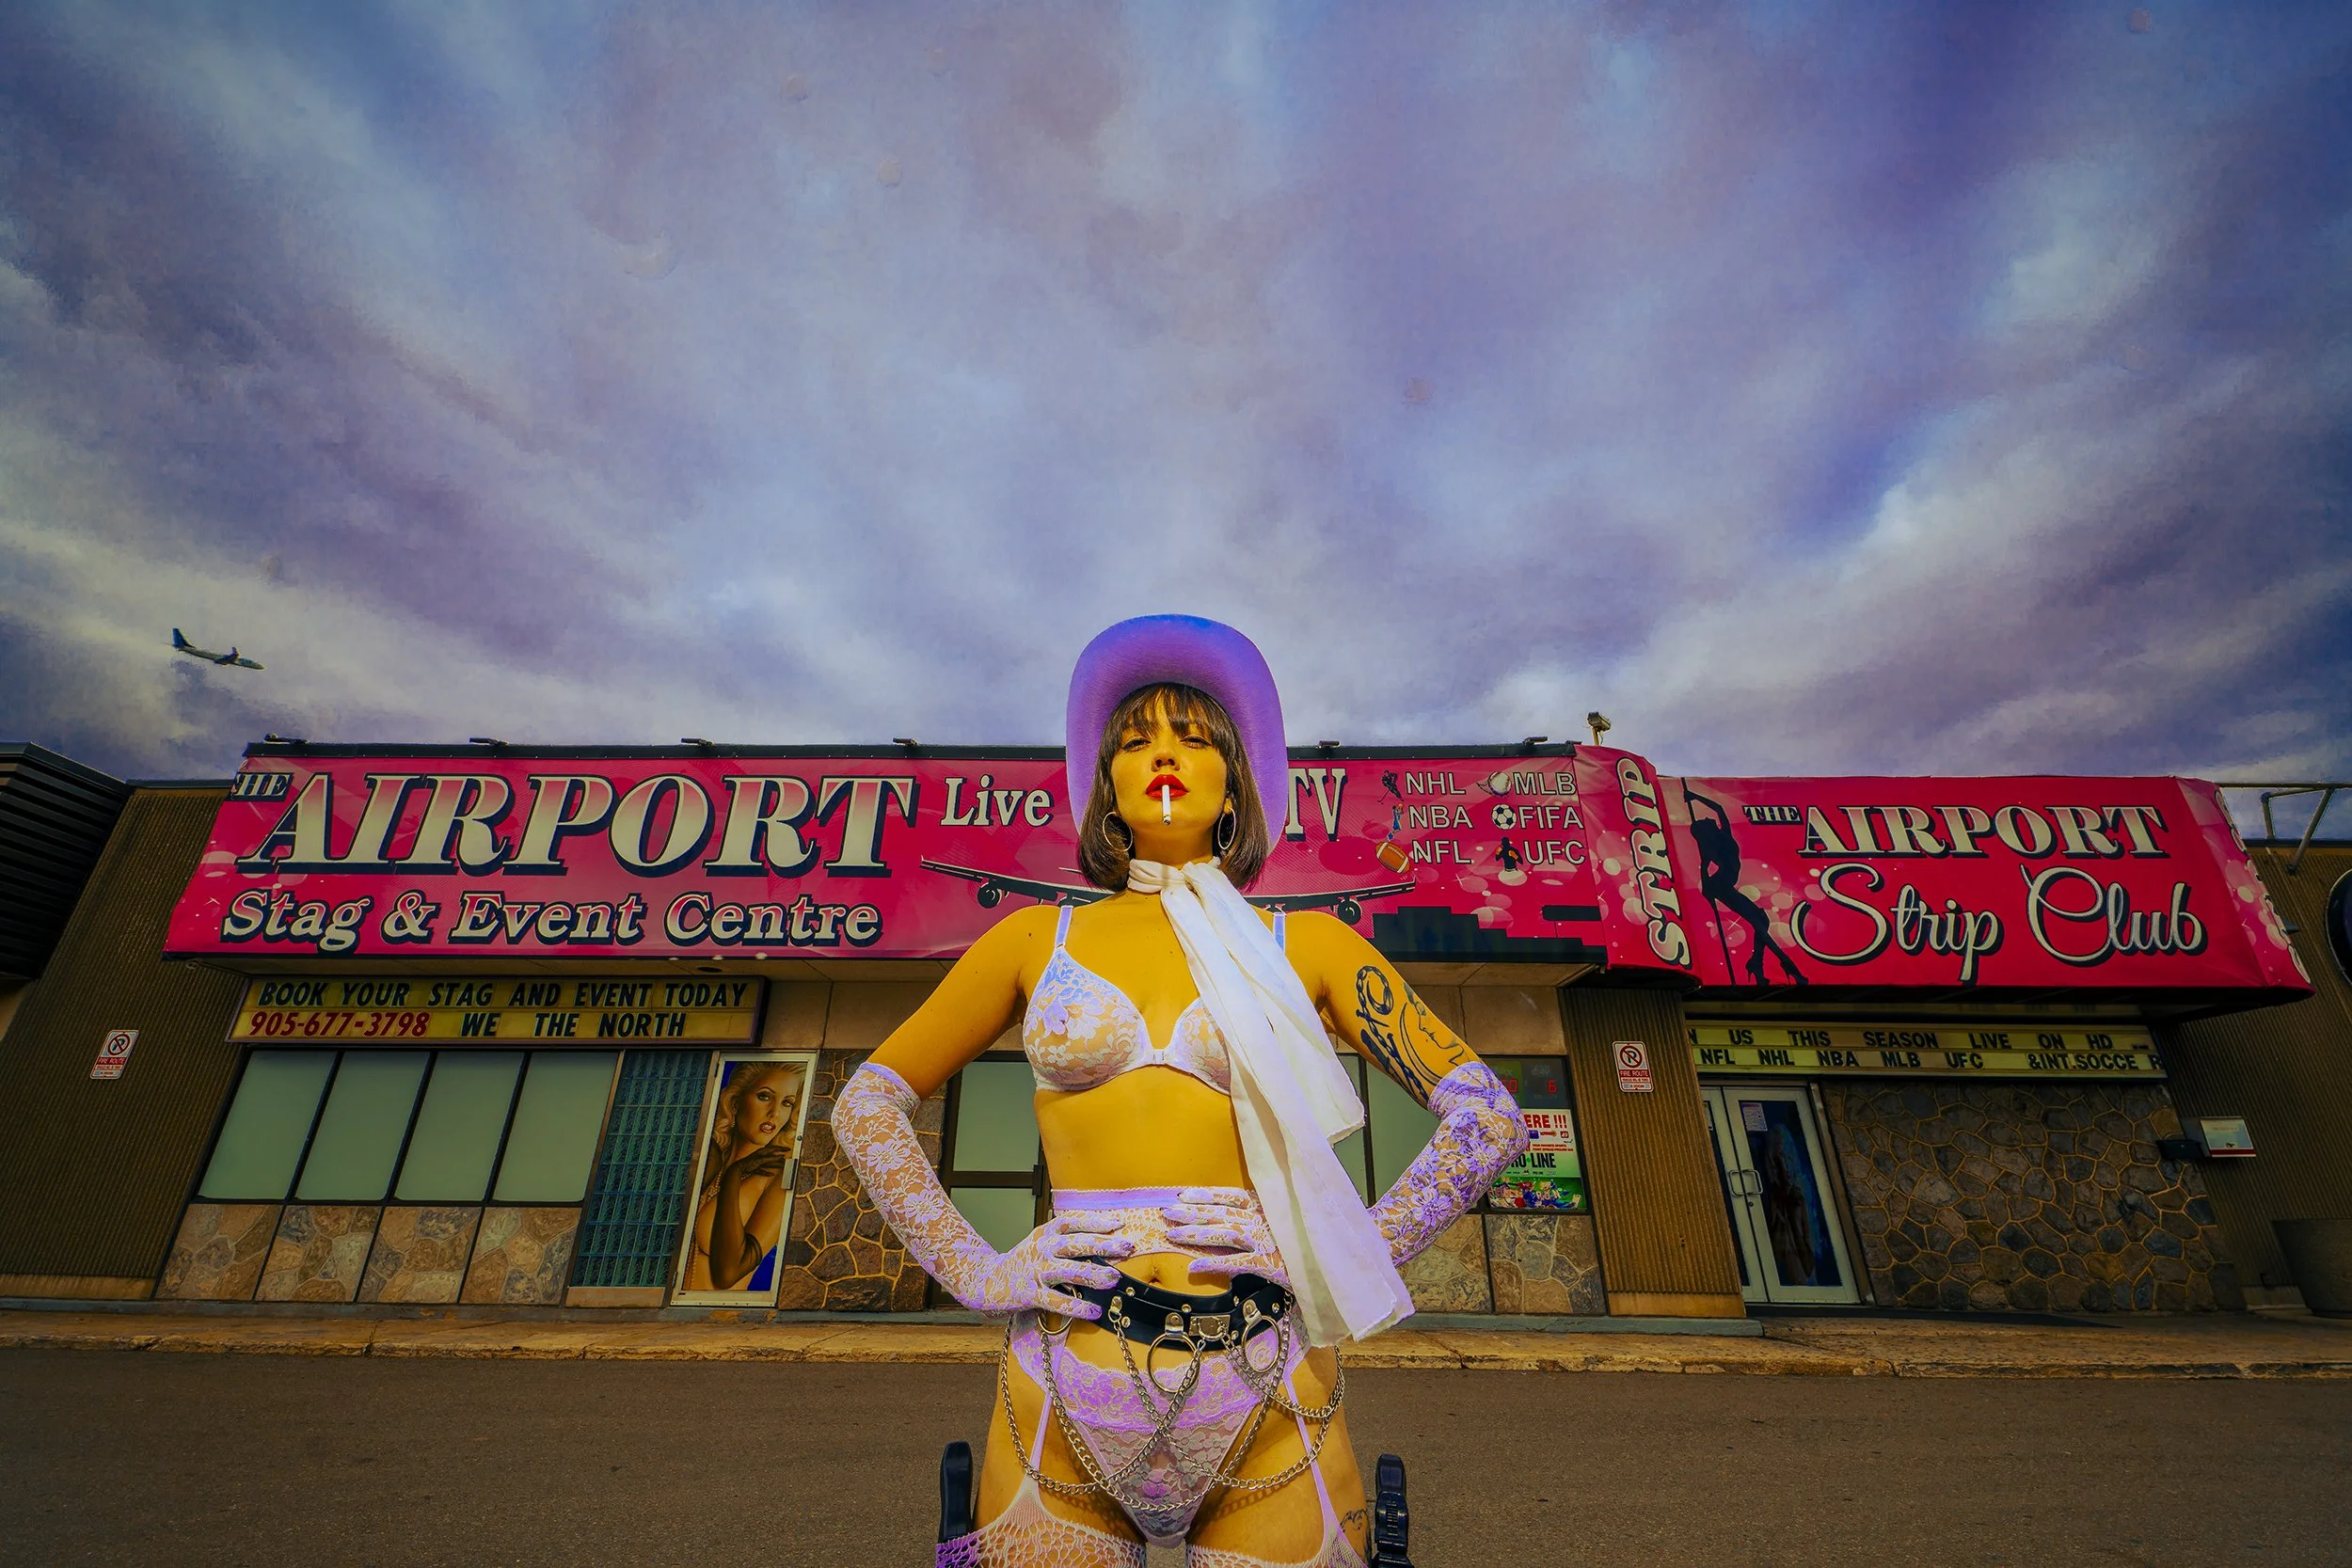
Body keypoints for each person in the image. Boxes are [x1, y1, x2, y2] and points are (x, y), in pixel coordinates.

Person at [833, 616, 1528, 1568]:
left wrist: (1339, 1247)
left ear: (1235, 779)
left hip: (1274, 1392)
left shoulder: (1312, 945)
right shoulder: (1035, 940)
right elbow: (866, 1102)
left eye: (1196, 735)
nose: (1164, 749)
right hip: (1059, 1388)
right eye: (1134, 738)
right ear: (1104, 785)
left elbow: (1485, 1113)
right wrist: (975, 1268)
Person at [684, 1059, 802, 1293]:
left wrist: (733, 1177)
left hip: (720, 1316)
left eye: (787, 1103)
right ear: (736, 1103)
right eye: (765, 1097)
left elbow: (728, 1273)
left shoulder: (776, 1179)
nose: (774, 1113)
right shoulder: (714, 1158)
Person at [1683, 785, 1807, 986]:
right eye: (1705, 821)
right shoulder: (1714, 844)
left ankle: (1756, 964)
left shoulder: (1722, 838)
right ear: (1708, 829)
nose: (1708, 818)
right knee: (1759, 923)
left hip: (1722, 885)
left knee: (1761, 920)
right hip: (1722, 885)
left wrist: (1694, 796)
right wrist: (1708, 892)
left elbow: (1718, 808)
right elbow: (1704, 869)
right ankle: (1789, 967)